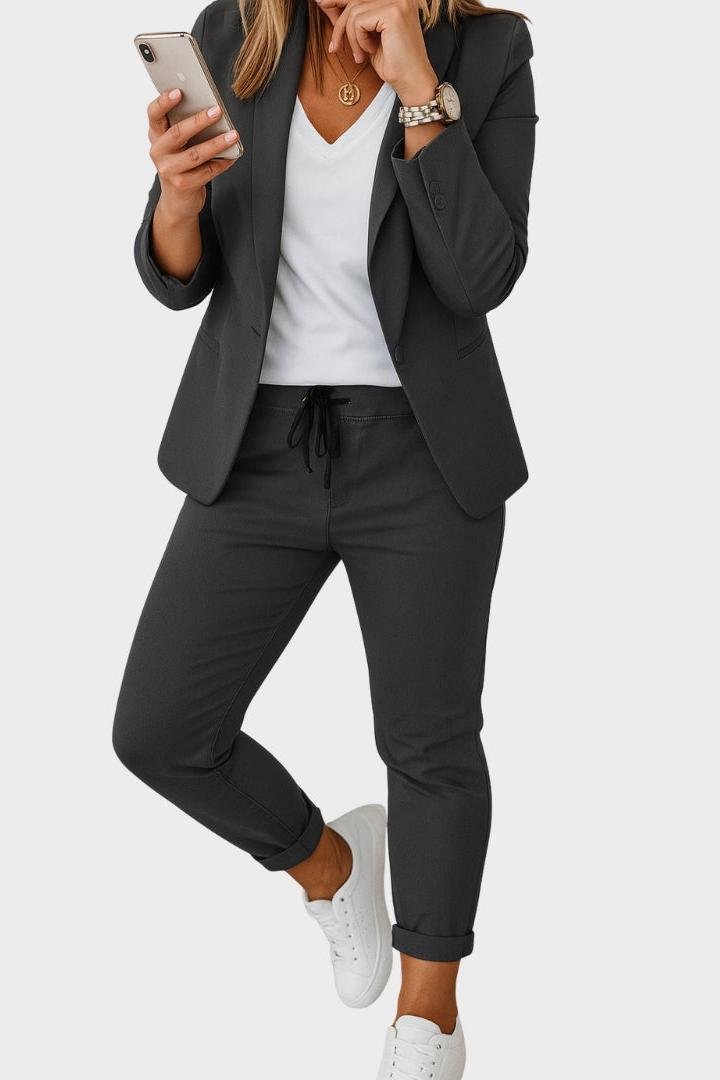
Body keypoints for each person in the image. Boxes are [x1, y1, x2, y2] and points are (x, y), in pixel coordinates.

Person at [113, 0, 537, 1075]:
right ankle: (332, 864)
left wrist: (420, 91)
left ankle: (428, 1021)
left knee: (429, 743)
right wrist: (176, 199)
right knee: (160, 729)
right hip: (256, 445)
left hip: (424, 449)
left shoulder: (488, 49)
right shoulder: (236, 36)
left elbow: (480, 277)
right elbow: (180, 276)